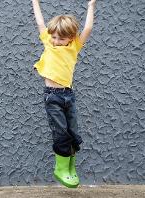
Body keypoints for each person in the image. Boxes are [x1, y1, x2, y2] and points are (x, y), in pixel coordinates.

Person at [31, 0, 96, 188]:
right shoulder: (49, 43)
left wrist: (91, 6)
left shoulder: (74, 47)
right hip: (52, 97)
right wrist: (35, 2)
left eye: (61, 38)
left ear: (71, 38)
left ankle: (70, 167)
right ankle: (60, 169)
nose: (56, 41)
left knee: (73, 133)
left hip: (69, 95)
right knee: (61, 133)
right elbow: (40, 22)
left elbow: (88, 28)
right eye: (54, 37)